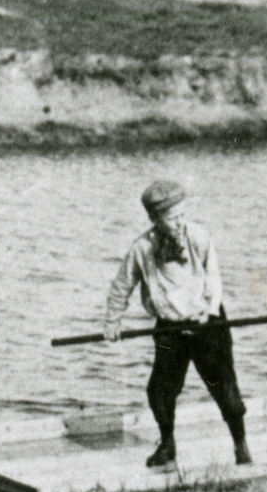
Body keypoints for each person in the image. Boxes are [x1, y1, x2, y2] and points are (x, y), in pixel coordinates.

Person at [104, 179, 251, 468]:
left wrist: (207, 312)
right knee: (159, 390)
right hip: (170, 329)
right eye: (172, 218)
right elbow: (121, 286)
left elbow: (214, 279)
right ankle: (168, 446)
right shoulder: (142, 248)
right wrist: (113, 319)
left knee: (224, 388)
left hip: (207, 325)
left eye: (183, 214)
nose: (180, 222)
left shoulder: (197, 236)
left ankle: (241, 446)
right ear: (154, 219)